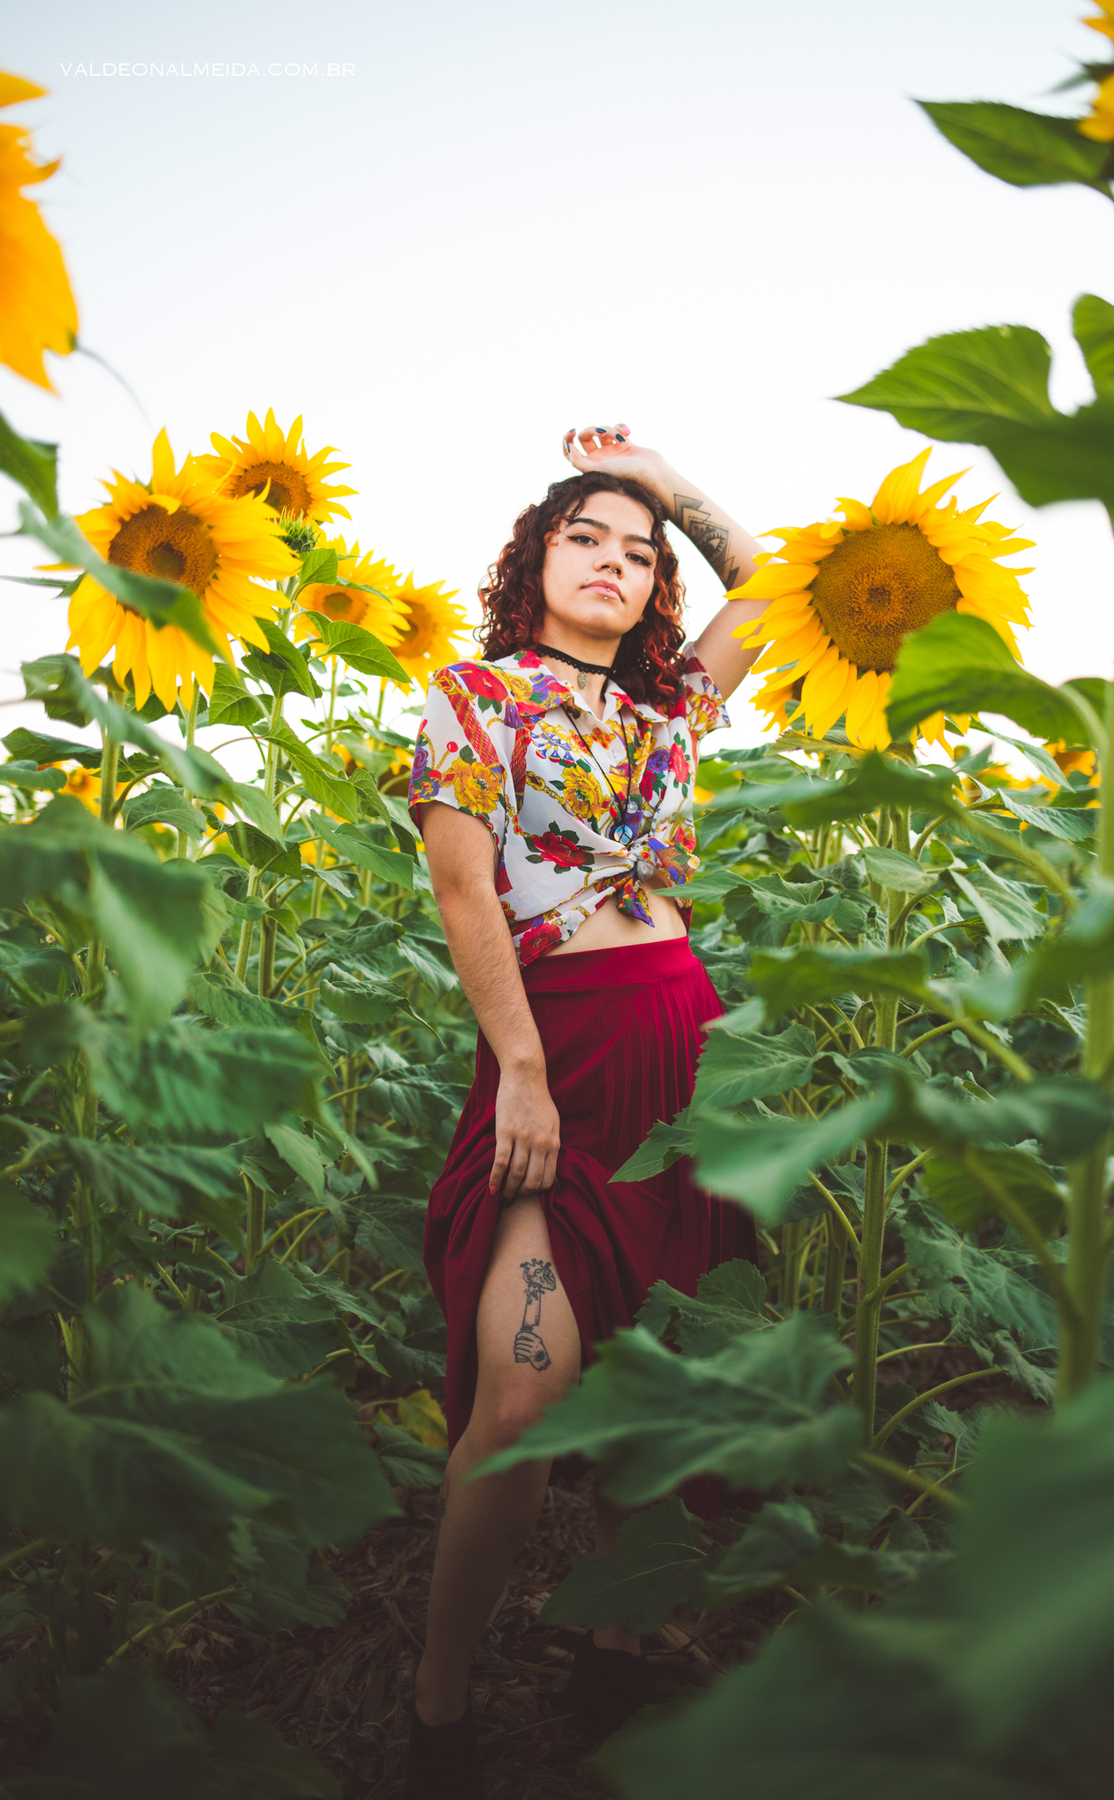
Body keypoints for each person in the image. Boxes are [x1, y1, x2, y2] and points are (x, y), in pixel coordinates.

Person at [405, 424, 769, 1797]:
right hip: (558, 1054)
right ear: (534, 559)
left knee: (656, 1385)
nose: (615, 562)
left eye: (639, 550)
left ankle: (614, 1652)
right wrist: (520, 1071)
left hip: (682, 1048)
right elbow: (462, 895)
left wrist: (669, 485)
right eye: (586, 537)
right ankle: (441, 1700)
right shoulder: (473, 697)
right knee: (524, 1388)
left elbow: (779, 586)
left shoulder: (672, 704)